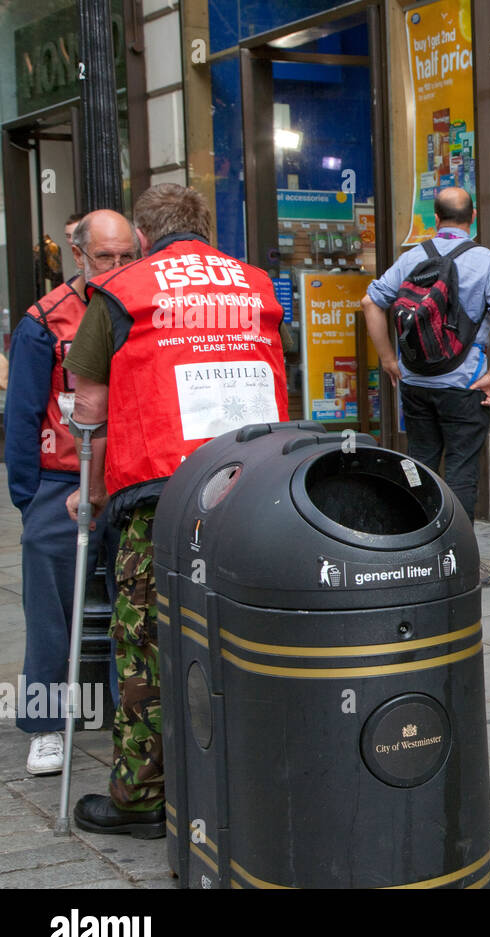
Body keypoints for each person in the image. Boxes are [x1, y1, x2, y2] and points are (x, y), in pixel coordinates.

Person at [62, 183, 289, 835]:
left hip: (161, 491)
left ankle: (141, 794)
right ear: (207, 228)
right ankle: (250, 780)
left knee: (145, 639)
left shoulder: (125, 288)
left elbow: (92, 409)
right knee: (242, 631)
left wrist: (92, 486)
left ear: (141, 234)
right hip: (250, 483)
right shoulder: (255, 283)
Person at [5, 210, 136, 776]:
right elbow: (23, 413)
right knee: (49, 606)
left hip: (129, 475)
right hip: (62, 479)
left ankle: (131, 726)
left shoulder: (142, 306)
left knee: (134, 607)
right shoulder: (44, 320)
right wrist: (28, 497)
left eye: (126, 255)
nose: (115, 267)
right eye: (104, 257)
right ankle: (45, 725)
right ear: (78, 256)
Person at [362, 187, 490, 586]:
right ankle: (458, 563)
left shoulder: (412, 257)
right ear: (474, 217)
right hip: (466, 383)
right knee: (462, 473)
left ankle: (420, 560)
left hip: (415, 382)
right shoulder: (486, 261)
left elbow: (370, 303)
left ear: (435, 218)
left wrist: (388, 360)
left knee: (421, 467)